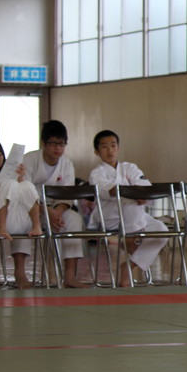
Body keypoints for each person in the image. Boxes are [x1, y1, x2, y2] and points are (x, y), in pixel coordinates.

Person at [88, 130, 168, 287]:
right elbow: (109, 191)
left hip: (135, 216)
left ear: (118, 148)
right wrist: (133, 193)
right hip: (110, 218)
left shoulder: (130, 167)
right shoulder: (97, 173)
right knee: (130, 202)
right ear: (97, 152)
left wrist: (138, 194)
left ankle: (128, 266)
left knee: (161, 231)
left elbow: (145, 187)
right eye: (104, 147)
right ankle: (130, 238)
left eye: (113, 145)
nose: (110, 150)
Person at [22, 120, 88, 288]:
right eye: (53, 143)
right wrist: (46, 210)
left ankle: (70, 276)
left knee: (73, 219)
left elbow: (67, 193)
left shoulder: (66, 164)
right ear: (43, 143)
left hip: (55, 210)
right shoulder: (29, 159)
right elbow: (24, 190)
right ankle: (20, 273)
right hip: (30, 209)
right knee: (21, 222)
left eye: (62, 143)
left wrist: (57, 211)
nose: (58, 148)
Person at [0, 139, 43, 289]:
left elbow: (26, 194)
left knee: (26, 184)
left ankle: (37, 225)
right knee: (9, 184)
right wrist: (2, 188)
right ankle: (2, 226)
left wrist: (20, 178)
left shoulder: (13, 179)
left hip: (17, 218)